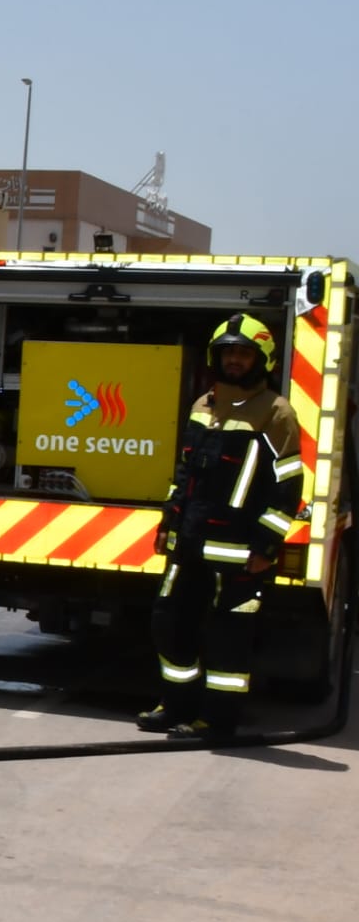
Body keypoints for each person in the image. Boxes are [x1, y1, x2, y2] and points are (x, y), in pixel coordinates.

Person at [137, 312, 305, 741]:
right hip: (188, 544)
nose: (234, 360)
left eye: (244, 354)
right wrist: (168, 522)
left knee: (228, 641)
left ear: (262, 359)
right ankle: (176, 705)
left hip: (238, 553)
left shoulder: (276, 413)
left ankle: (217, 721)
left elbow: (288, 489)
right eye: (227, 352)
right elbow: (185, 473)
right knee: (168, 624)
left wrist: (265, 548)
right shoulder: (203, 405)